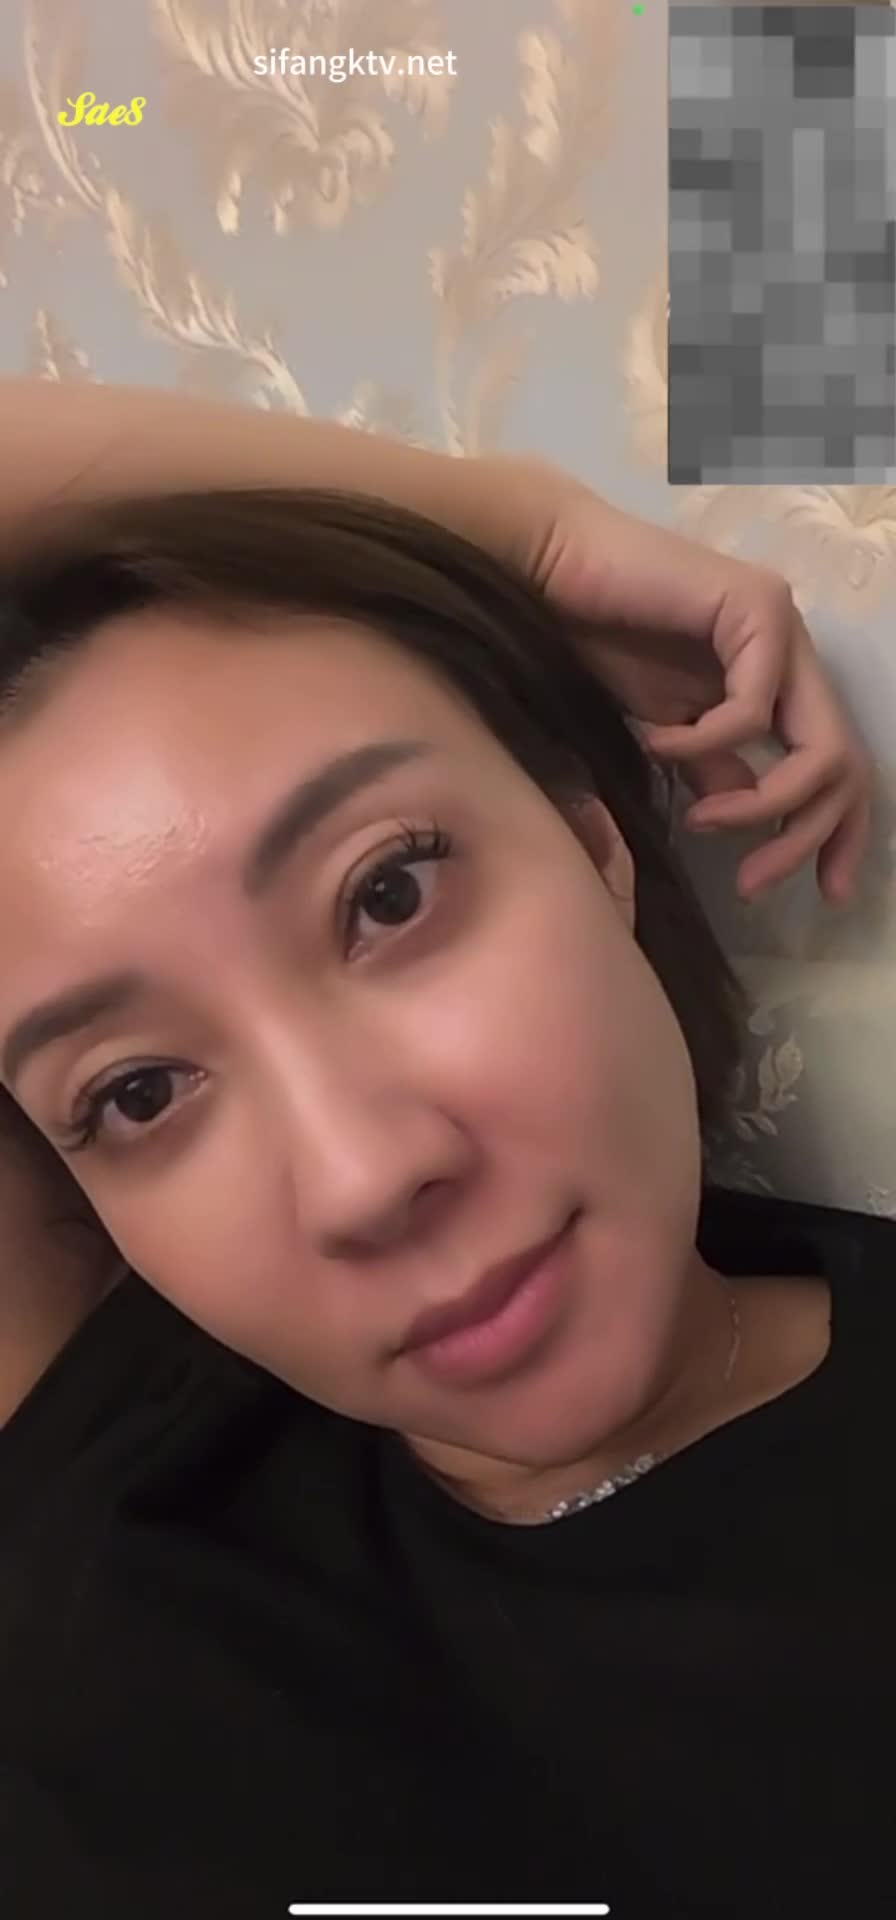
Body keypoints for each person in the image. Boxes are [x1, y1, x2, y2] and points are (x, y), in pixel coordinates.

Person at [0, 465, 889, 1920]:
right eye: (139, 1093)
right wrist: (525, 530)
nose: (363, 1179)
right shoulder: (101, 1449)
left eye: (389, 893)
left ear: (596, 846)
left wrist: (518, 537)